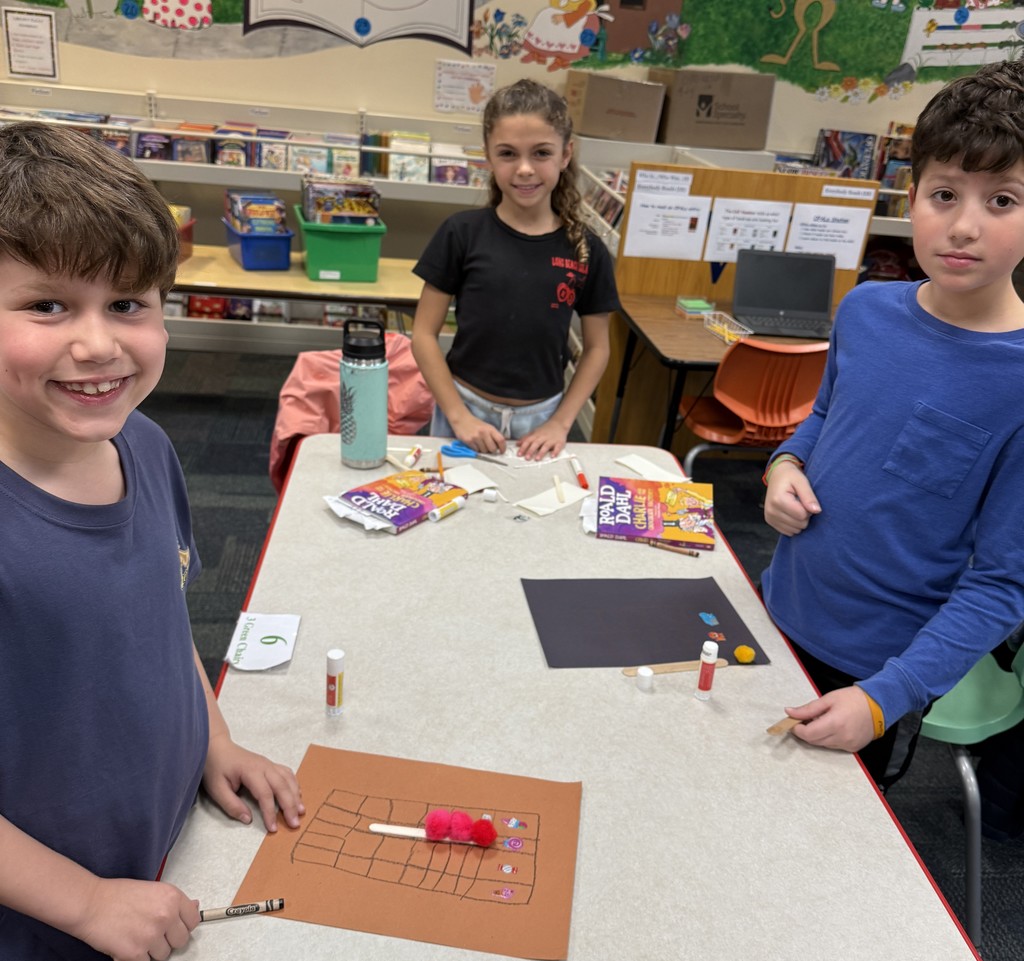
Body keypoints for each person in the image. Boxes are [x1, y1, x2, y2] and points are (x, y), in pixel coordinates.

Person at [0, 122, 304, 961]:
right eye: (48, 304)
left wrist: (214, 739)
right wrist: (87, 900)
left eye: (128, 303)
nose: (98, 343)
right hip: (52, 920)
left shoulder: (146, 445)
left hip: (167, 861)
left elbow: (167, 626)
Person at [761, 59, 1024, 790]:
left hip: (871, 673)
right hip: (777, 605)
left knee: (818, 850)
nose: (964, 226)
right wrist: (784, 466)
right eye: (945, 194)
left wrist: (884, 699)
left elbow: (1003, 584)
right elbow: (820, 420)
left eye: (1002, 200)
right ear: (914, 199)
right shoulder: (866, 309)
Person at [411, 78, 620, 461]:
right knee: (452, 509)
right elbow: (423, 334)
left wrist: (560, 422)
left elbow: (597, 349)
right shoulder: (461, 233)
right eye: (508, 153)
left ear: (565, 154)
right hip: (463, 410)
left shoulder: (587, 249)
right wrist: (459, 416)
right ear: (488, 157)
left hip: (542, 421)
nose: (524, 169)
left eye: (541, 153)